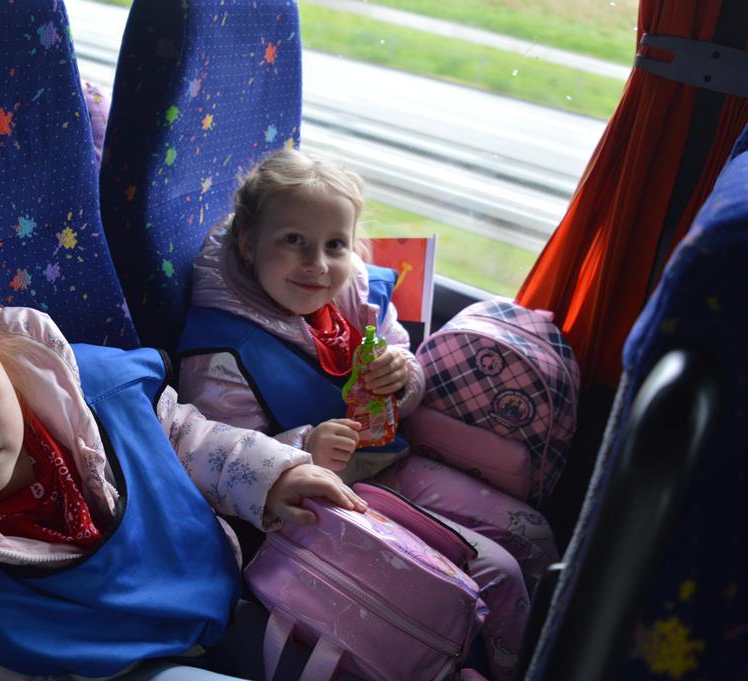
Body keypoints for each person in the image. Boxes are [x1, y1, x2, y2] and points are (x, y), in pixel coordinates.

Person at [0, 249, 370, 681]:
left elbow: (185, 438)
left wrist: (272, 475)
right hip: (107, 671)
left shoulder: (91, 396)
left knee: (353, 647)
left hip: (211, 596)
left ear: (2, 357)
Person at [176, 148, 559, 681]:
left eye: (334, 244)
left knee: (532, 534)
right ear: (248, 243)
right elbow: (220, 464)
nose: (318, 263)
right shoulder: (222, 352)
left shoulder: (355, 292)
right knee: (496, 571)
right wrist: (304, 447)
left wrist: (402, 375)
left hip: (387, 460)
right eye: (294, 241)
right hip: (321, 500)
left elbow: (403, 359)